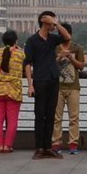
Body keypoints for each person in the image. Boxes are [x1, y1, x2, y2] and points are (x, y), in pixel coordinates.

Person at [22, 12, 71, 159]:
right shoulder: (32, 41)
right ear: (44, 22)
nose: (53, 25)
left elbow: (67, 37)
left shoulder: (52, 39)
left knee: (51, 115)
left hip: (53, 78)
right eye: (51, 22)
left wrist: (56, 24)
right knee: (39, 114)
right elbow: (27, 63)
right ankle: (39, 147)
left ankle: (48, 147)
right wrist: (30, 85)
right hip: (39, 80)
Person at [0, 29, 25, 153]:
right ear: (16, 41)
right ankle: (7, 145)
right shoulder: (20, 54)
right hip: (14, 91)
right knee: (12, 120)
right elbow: (25, 65)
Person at [54, 39, 84, 154]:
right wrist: (59, 57)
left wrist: (72, 58)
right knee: (57, 118)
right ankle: (56, 143)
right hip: (58, 87)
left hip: (73, 87)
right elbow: (50, 65)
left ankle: (73, 144)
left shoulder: (77, 48)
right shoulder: (55, 48)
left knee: (74, 117)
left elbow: (81, 66)